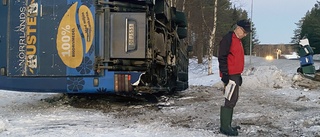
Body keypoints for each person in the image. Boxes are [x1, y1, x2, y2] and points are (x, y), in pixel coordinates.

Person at [218, 19, 252, 136]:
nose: (245, 34)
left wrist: (239, 75)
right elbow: (222, 57)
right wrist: (225, 75)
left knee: (234, 98)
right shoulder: (229, 39)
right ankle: (224, 127)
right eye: (244, 31)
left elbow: (236, 59)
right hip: (230, 74)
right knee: (230, 99)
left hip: (235, 74)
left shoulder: (237, 40)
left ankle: (228, 124)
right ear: (238, 28)